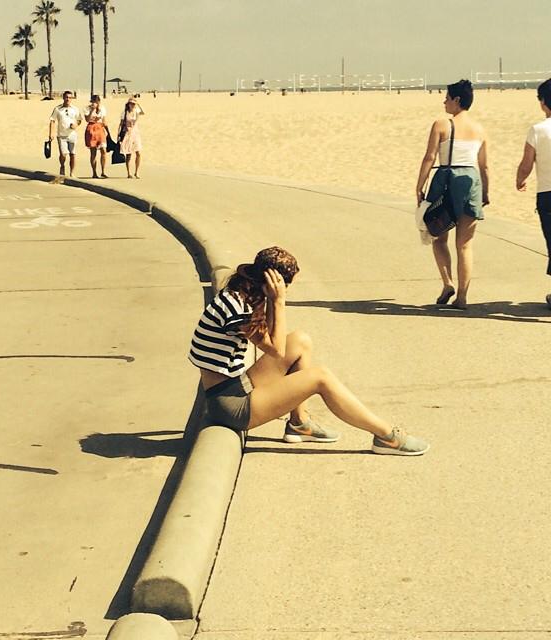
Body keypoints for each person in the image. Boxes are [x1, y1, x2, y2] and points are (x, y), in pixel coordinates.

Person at [188, 246, 430, 455]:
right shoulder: (238, 309)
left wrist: (271, 300)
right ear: (274, 283)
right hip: (230, 406)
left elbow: (275, 341)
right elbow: (277, 350)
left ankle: (299, 423)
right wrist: (278, 301)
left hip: (234, 387)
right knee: (320, 377)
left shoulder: (241, 292)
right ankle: (386, 436)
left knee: (300, 340)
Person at [415, 79, 489, 310]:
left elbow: (429, 157)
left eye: (447, 98)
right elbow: (484, 166)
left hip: (446, 181)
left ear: (457, 100)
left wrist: (419, 185)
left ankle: (448, 283)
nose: (444, 101)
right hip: (471, 182)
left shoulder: (442, 124)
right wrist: (486, 191)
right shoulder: (480, 129)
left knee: (438, 236)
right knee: (465, 244)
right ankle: (462, 297)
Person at [516, 78, 551, 309]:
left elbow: (526, 164)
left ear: (543, 102)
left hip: (547, 194)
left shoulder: (538, 130)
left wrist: (520, 179)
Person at [48, 90, 82, 177]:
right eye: (66, 97)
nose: (68, 99)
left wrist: (76, 125)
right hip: (61, 135)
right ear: (63, 98)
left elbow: (79, 120)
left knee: (72, 154)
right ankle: (62, 166)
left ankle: (72, 172)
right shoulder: (58, 109)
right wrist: (51, 133)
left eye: (70, 98)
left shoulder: (75, 109)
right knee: (63, 154)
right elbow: (52, 120)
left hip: (72, 135)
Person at [117, 96, 144, 178]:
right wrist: (118, 134)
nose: (132, 105)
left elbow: (143, 112)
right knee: (129, 154)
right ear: (128, 104)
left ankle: (136, 172)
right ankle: (129, 172)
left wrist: (138, 104)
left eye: (133, 104)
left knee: (138, 152)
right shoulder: (124, 113)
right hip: (127, 133)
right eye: (131, 103)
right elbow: (121, 124)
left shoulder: (136, 111)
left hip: (135, 132)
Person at [84, 94, 109, 178]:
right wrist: (92, 110)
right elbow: (87, 119)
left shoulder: (102, 109)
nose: (95, 103)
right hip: (91, 128)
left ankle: (103, 171)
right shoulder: (87, 108)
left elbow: (104, 121)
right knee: (93, 151)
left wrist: (108, 131)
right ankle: (94, 172)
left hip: (100, 128)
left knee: (103, 150)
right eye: (93, 101)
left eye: (97, 102)